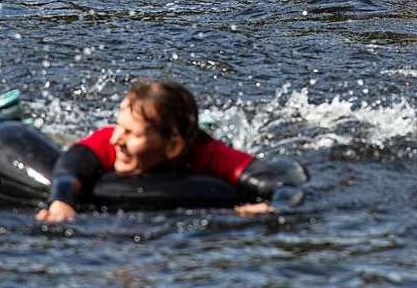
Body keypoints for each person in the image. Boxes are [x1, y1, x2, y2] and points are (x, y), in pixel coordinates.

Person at [35, 80, 306, 222]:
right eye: (119, 126)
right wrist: (61, 201)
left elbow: (280, 184)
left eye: (131, 133)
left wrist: (274, 207)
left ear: (173, 144)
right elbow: (67, 169)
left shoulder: (210, 155)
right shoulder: (107, 141)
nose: (117, 139)